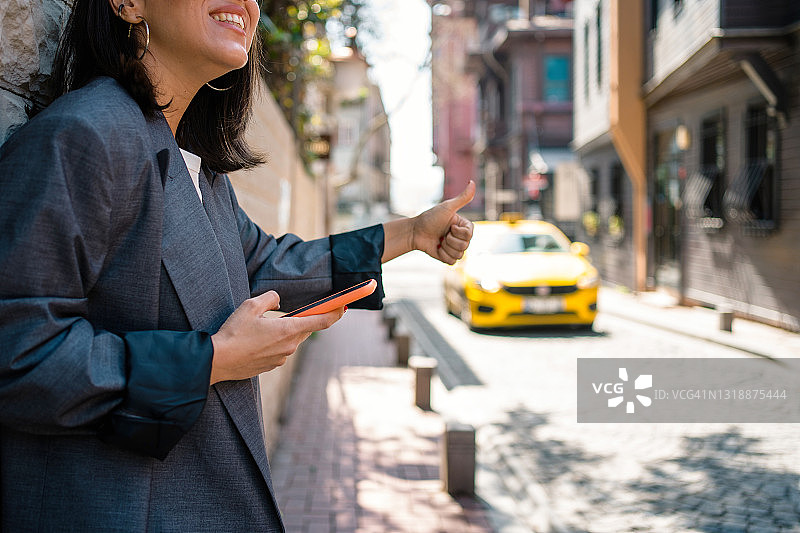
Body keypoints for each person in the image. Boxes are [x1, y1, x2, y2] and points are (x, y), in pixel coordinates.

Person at [0, 0, 474, 531]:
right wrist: (211, 361)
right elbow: (18, 352)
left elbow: (265, 267)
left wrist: (409, 234)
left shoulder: (191, 164)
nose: (245, 4)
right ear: (129, 5)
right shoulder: (82, 136)